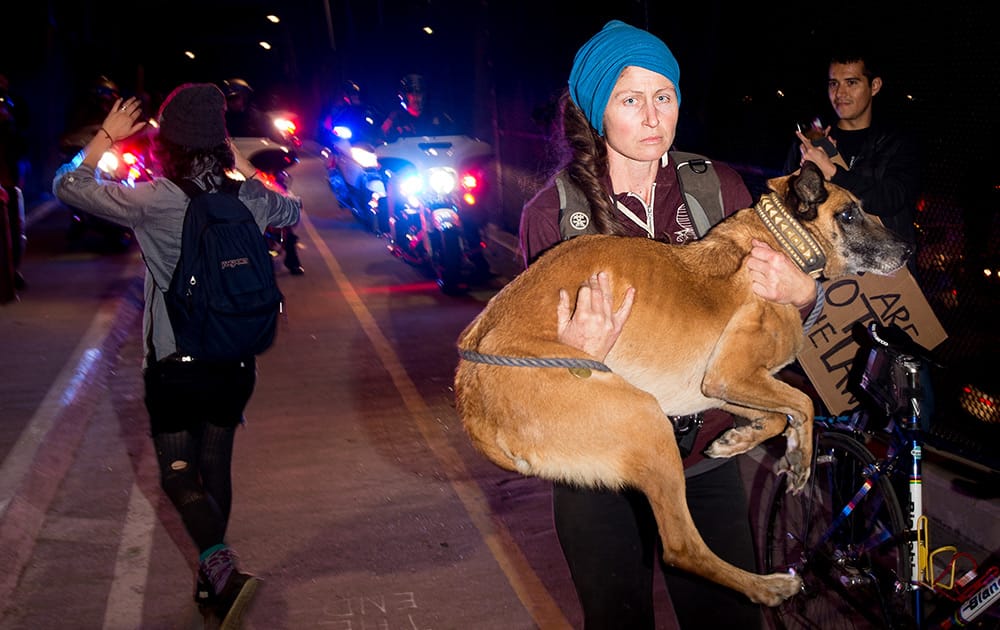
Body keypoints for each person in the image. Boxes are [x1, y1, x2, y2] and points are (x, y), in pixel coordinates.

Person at [519, 20, 822, 629]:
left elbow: (766, 318)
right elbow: (528, 367)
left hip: (703, 454)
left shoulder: (720, 191)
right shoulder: (552, 216)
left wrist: (804, 294)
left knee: (731, 620)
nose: (653, 117)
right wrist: (569, 356)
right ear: (595, 111)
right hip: (599, 467)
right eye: (631, 99)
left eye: (665, 96)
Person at [52, 83, 301, 627]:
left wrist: (104, 138)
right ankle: (212, 585)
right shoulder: (247, 197)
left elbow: (69, 185)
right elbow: (292, 207)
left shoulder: (154, 198)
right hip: (236, 360)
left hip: (176, 364)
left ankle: (221, 568)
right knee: (216, 464)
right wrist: (238, 158)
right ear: (216, 141)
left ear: (170, 143)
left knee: (177, 474)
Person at [782, 45, 921, 265]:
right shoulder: (814, 143)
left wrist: (833, 172)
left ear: (874, 86)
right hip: (828, 267)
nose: (840, 94)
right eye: (833, 84)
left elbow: (891, 198)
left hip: (884, 271)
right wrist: (804, 173)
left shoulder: (897, 142)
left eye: (851, 82)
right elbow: (786, 207)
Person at [223, 77, 305, 275]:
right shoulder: (219, 122)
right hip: (233, 172)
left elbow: (280, 143)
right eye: (230, 99)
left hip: (261, 172)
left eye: (238, 98)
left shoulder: (260, 118)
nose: (235, 102)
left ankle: (291, 257)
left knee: (282, 200)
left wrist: (283, 153)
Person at [0, 72, 28, 293]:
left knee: (14, 229)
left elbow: (18, 142)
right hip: (6, 181)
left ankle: (12, 273)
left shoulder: (11, 106)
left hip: (8, 180)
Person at [380, 73, 454, 141]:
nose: (415, 96)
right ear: (405, 95)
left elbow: (456, 137)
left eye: (419, 91)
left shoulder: (437, 116)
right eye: (411, 92)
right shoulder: (395, 118)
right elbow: (380, 138)